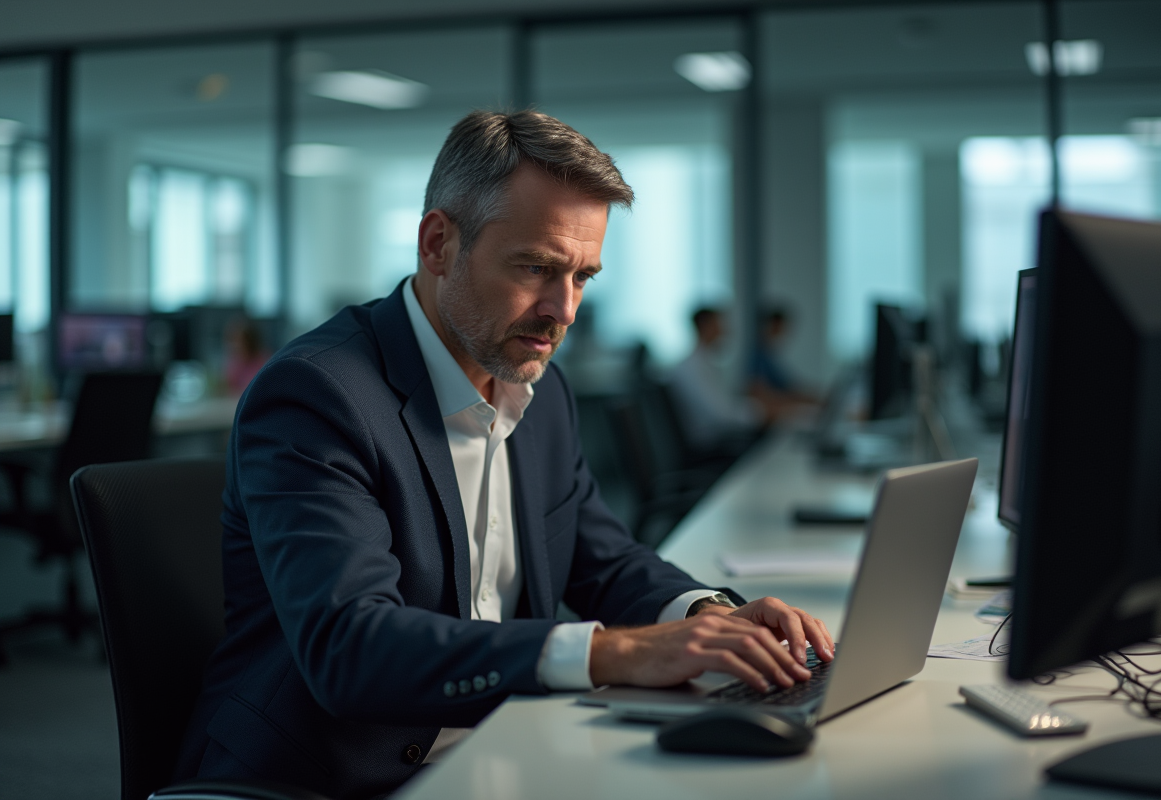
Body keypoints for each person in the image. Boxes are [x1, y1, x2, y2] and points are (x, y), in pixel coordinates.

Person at [174, 110, 833, 800]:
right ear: (438, 244)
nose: (564, 309)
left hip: (503, 750)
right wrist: (613, 652)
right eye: (537, 267)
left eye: (583, 277)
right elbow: (350, 648)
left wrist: (702, 616)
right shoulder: (319, 395)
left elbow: (602, 557)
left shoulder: (539, 388)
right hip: (334, 775)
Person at [668, 307, 766, 457]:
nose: (725, 329)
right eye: (720, 323)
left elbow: (724, 406)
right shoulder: (693, 368)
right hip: (709, 446)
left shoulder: (705, 363)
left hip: (718, 438)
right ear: (706, 326)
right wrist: (763, 412)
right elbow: (722, 414)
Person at [747, 307, 820, 408]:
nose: (781, 332)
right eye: (778, 327)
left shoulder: (769, 357)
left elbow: (789, 386)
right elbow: (759, 393)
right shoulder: (757, 356)